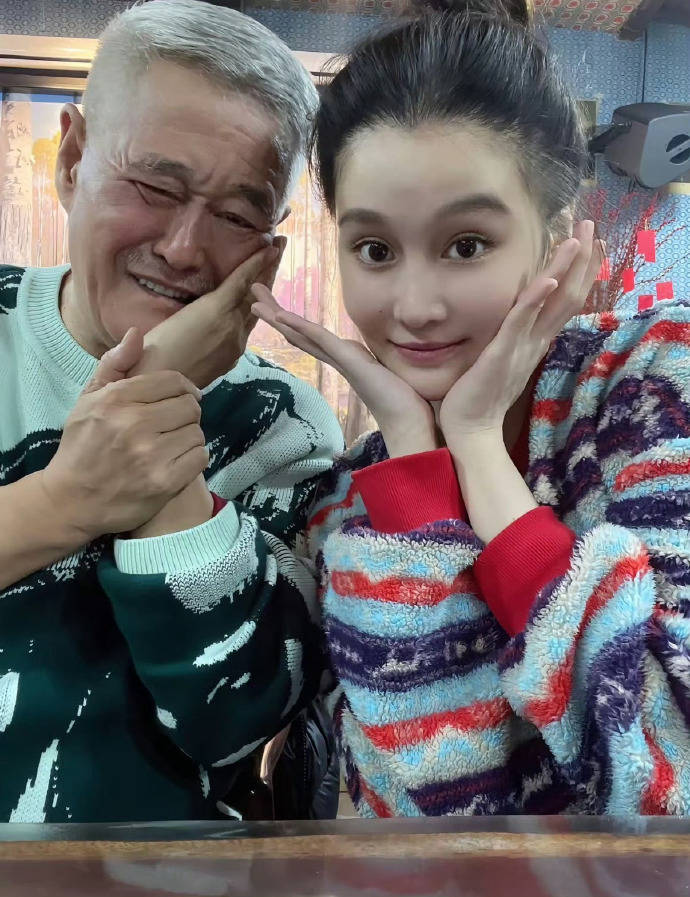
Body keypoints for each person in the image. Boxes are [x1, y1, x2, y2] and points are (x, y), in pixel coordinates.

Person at [252, 0, 690, 816]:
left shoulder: (655, 385)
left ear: (556, 237)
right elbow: (428, 818)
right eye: (375, 250)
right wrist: (415, 472)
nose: (415, 307)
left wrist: (480, 447)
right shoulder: (351, 503)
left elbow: (671, 785)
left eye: (466, 245)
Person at [0, 0, 343, 823]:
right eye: (154, 187)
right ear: (73, 159)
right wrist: (67, 500)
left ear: (270, 246)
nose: (185, 248)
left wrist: (159, 399)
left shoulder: (285, 426)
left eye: (237, 215)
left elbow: (233, 722)